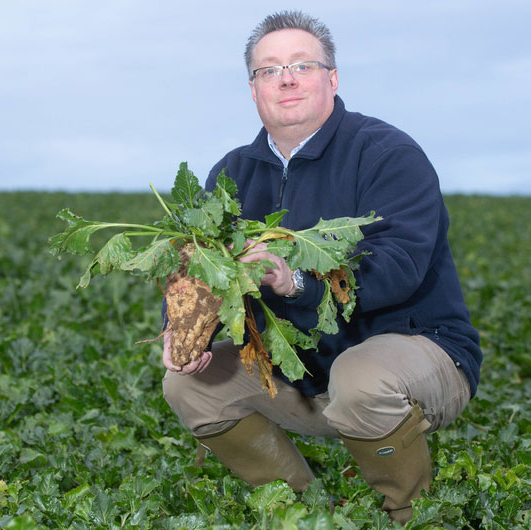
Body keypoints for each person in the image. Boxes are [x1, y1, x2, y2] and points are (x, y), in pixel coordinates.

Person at [161, 10, 482, 524]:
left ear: (332, 79)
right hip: (302, 373)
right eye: (269, 69)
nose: (285, 78)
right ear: (253, 89)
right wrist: (180, 330)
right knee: (187, 385)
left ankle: (409, 516)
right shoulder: (232, 173)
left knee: (361, 376)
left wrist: (297, 284)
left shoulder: (386, 153)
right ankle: (308, 512)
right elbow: (198, 267)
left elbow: (398, 267)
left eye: (302, 65)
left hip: (422, 355)